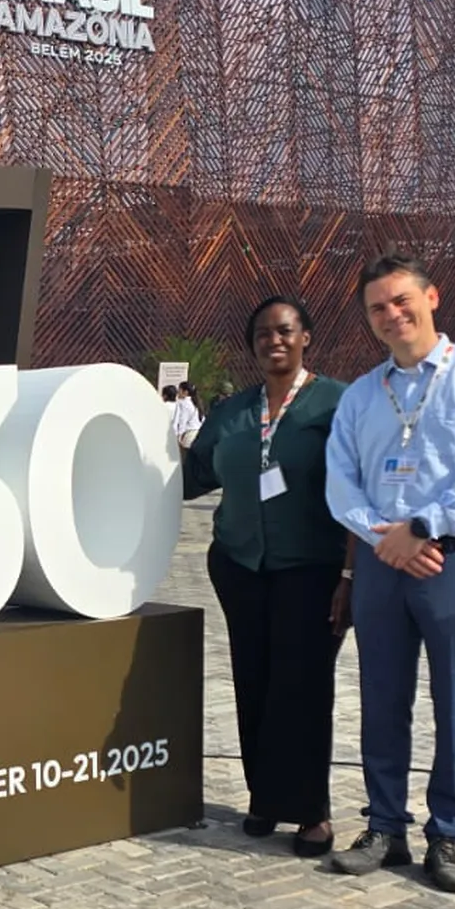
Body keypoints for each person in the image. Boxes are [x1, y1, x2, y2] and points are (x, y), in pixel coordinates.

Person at [326, 252, 455, 892]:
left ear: (431, 298)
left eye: (400, 300)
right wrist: (383, 536)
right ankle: (385, 824)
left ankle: (451, 833)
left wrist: (424, 527)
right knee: (382, 698)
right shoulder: (362, 394)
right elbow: (340, 480)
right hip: (383, 558)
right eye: (377, 308)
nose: (391, 315)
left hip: (454, 559)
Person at [184, 296, 353, 856]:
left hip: (311, 568)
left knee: (301, 687)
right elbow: (193, 473)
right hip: (240, 565)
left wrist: (351, 574)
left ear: (307, 336)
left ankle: (311, 812)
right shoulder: (234, 410)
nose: (273, 341)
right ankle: (264, 798)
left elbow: (360, 491)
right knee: (253, 678)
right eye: (261, 333)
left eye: (284, 331)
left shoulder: (337, 404)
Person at [172, 381, 203, 448]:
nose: (177, 393)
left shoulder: (183, 404)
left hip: (188, 436)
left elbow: (182, 421)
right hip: (198, 435)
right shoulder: (196, 403)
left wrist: (178, 436)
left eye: (179, 390)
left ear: (185, 392)